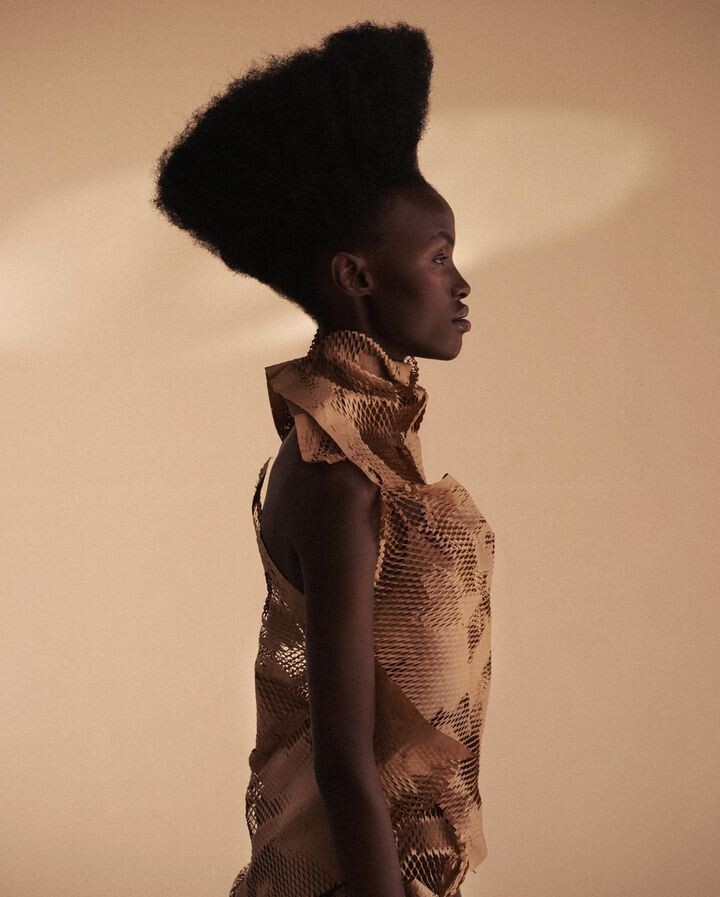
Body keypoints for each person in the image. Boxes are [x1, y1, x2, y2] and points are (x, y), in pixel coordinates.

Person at [151, 20, 494, 897]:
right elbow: (344, 758)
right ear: (356, 276)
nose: (461, 283)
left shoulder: (376, 461)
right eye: (439, 256)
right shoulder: (335, 475)